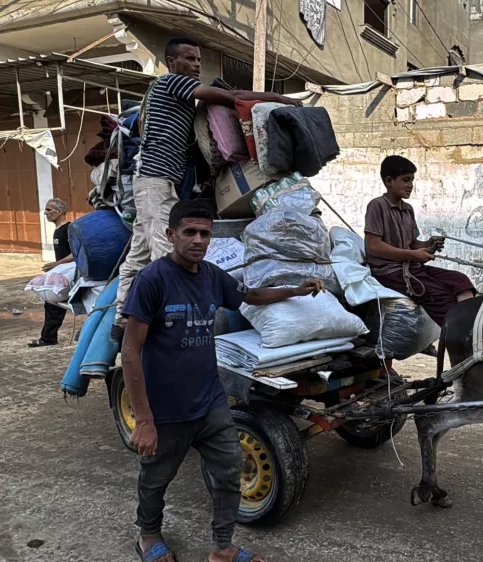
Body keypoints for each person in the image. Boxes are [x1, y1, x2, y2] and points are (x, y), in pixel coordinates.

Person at [121, 200, 324, 562]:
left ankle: (222, 547)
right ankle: (148, 534)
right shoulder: (152, 280)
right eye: (190, 232)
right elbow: (131, 350)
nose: (198, 240)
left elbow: (250, 297)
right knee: (156, 478)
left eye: (205, 233)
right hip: (167, 409)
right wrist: (145, 420)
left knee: (229, 472)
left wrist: (297, 289)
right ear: (171, 235)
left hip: (210, 401)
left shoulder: (212, 276)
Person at [112, 36, 303, 344]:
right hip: (154, 179)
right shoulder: (172, 83)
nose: (197, 65)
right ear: (173, 62)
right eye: (190, 59)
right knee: (166, 249)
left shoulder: (184, 97)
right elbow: (234, 96)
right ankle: (167, 326)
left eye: (199, 60)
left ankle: (122, 319)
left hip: (159, 181)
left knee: (140, 252)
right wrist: (279, 99)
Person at [364, 155, 476, 328]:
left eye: (412, 180)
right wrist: (413, 255)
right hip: (389, 272)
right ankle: (461, 333)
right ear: (389, 181)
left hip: (411, 268)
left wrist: (427, 244)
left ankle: (470, 326)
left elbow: (412, 244)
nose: (410, 185)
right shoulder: (377, 205)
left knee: (461, 281)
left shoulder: (407, 209)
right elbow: (373, 247)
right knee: (442, 297)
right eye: (405, 180)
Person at [29, 198, 75, 347]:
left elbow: (76, 253)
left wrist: (57, 264)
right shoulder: (57, 231)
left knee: (53, 302)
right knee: (53, 303)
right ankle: (48, 337)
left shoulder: (69, 229)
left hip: (70, 274)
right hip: (61, 273)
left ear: (60, 211)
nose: (45, 213)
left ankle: (48, 338)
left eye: (49, 210)